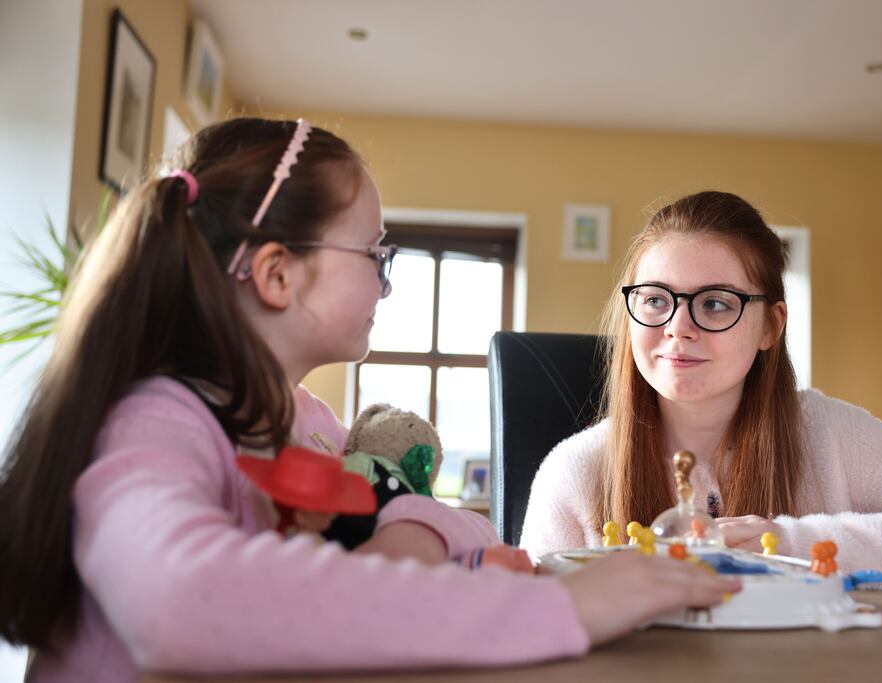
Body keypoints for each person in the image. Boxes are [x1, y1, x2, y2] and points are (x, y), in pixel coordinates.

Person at [0, 119, 740, 682]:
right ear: (277, 275)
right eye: (374, 255)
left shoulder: (307, 423)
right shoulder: (152, 425)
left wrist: (407, 528)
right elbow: (178, 603)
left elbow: (457, 526)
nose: (387, 282)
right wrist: (567, 606)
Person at [519, 190, 882, 592]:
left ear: (770, 326)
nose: (678, 326)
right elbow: (529, 638)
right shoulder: (575, 473)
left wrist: (792, 544)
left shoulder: (828, 435)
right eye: (655, 300)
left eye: (716, 303)